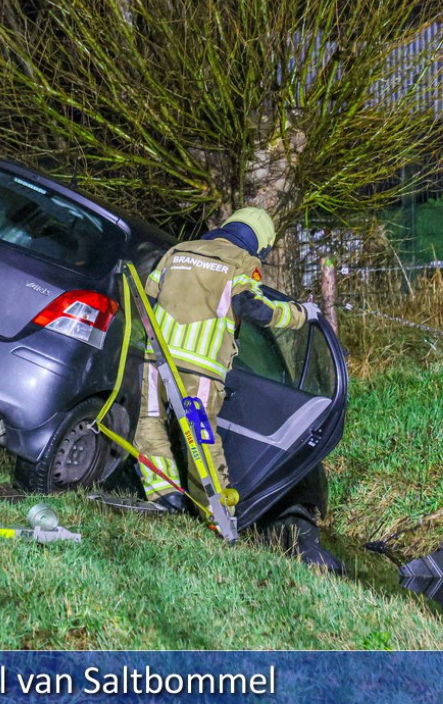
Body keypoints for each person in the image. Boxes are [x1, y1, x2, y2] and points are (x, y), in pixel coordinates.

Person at [135, 206, 314, 512]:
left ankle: (165, 496)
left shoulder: (179, 250)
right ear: (261, 242)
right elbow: (254, 308)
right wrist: (301, 314)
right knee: (201, 442)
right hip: (200, 370)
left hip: (157, 358)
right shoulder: (243, 261)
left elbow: (149, 293)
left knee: (148, 423)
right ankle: (217, 514)